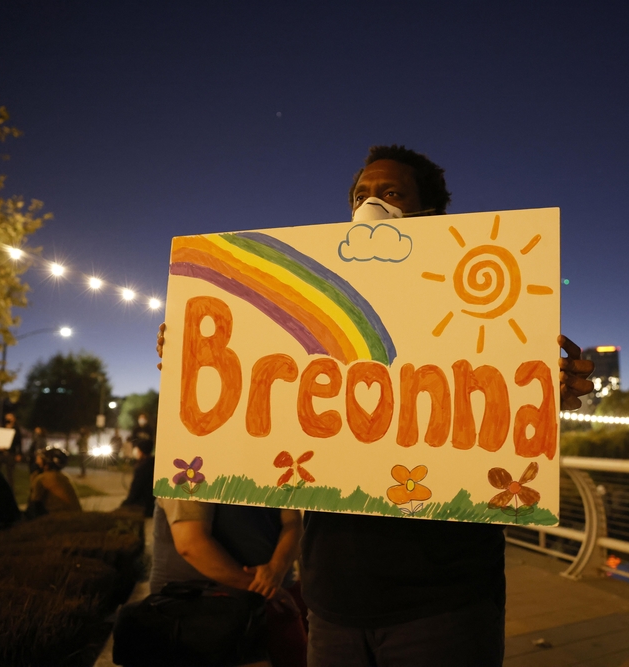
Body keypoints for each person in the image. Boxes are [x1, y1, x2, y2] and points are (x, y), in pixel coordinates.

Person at [156, 145, 594, 666]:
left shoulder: (471, 322)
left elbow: (494, 412)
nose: (372, 206)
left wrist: (548, 392)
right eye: (362, 195)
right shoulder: (313, 317)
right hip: (333, 602)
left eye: (391, 194)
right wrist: (195, 360)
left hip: (444, 601)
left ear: (430, 215)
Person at [150, 499, 308, 666]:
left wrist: (275, 571)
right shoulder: (188, 473)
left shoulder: (271, 472)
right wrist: (264, 586)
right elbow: (191, 544)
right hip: (200, 604)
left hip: (268, 597)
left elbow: (293, 522)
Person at [26, 447, 82, 518]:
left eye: (40, 459)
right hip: (75, 518)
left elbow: (33, 507)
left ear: (46, 463)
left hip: (57, 521)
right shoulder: (64, 477)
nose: (37, 461)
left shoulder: (42, 478)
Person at [118, 438, 156, 517]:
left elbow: (135, 490)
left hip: (144, 506)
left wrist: (125, 503)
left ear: (141, 451)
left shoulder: (142, 468)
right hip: (153, 503)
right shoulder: (154, 464)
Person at [0, 413, 24, 489]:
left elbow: (19, 443)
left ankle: (10, 489)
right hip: (0, 453)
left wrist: (19, 454)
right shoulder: (2, 427)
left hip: (11, 453)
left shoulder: (16, 429)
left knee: (10, 473)